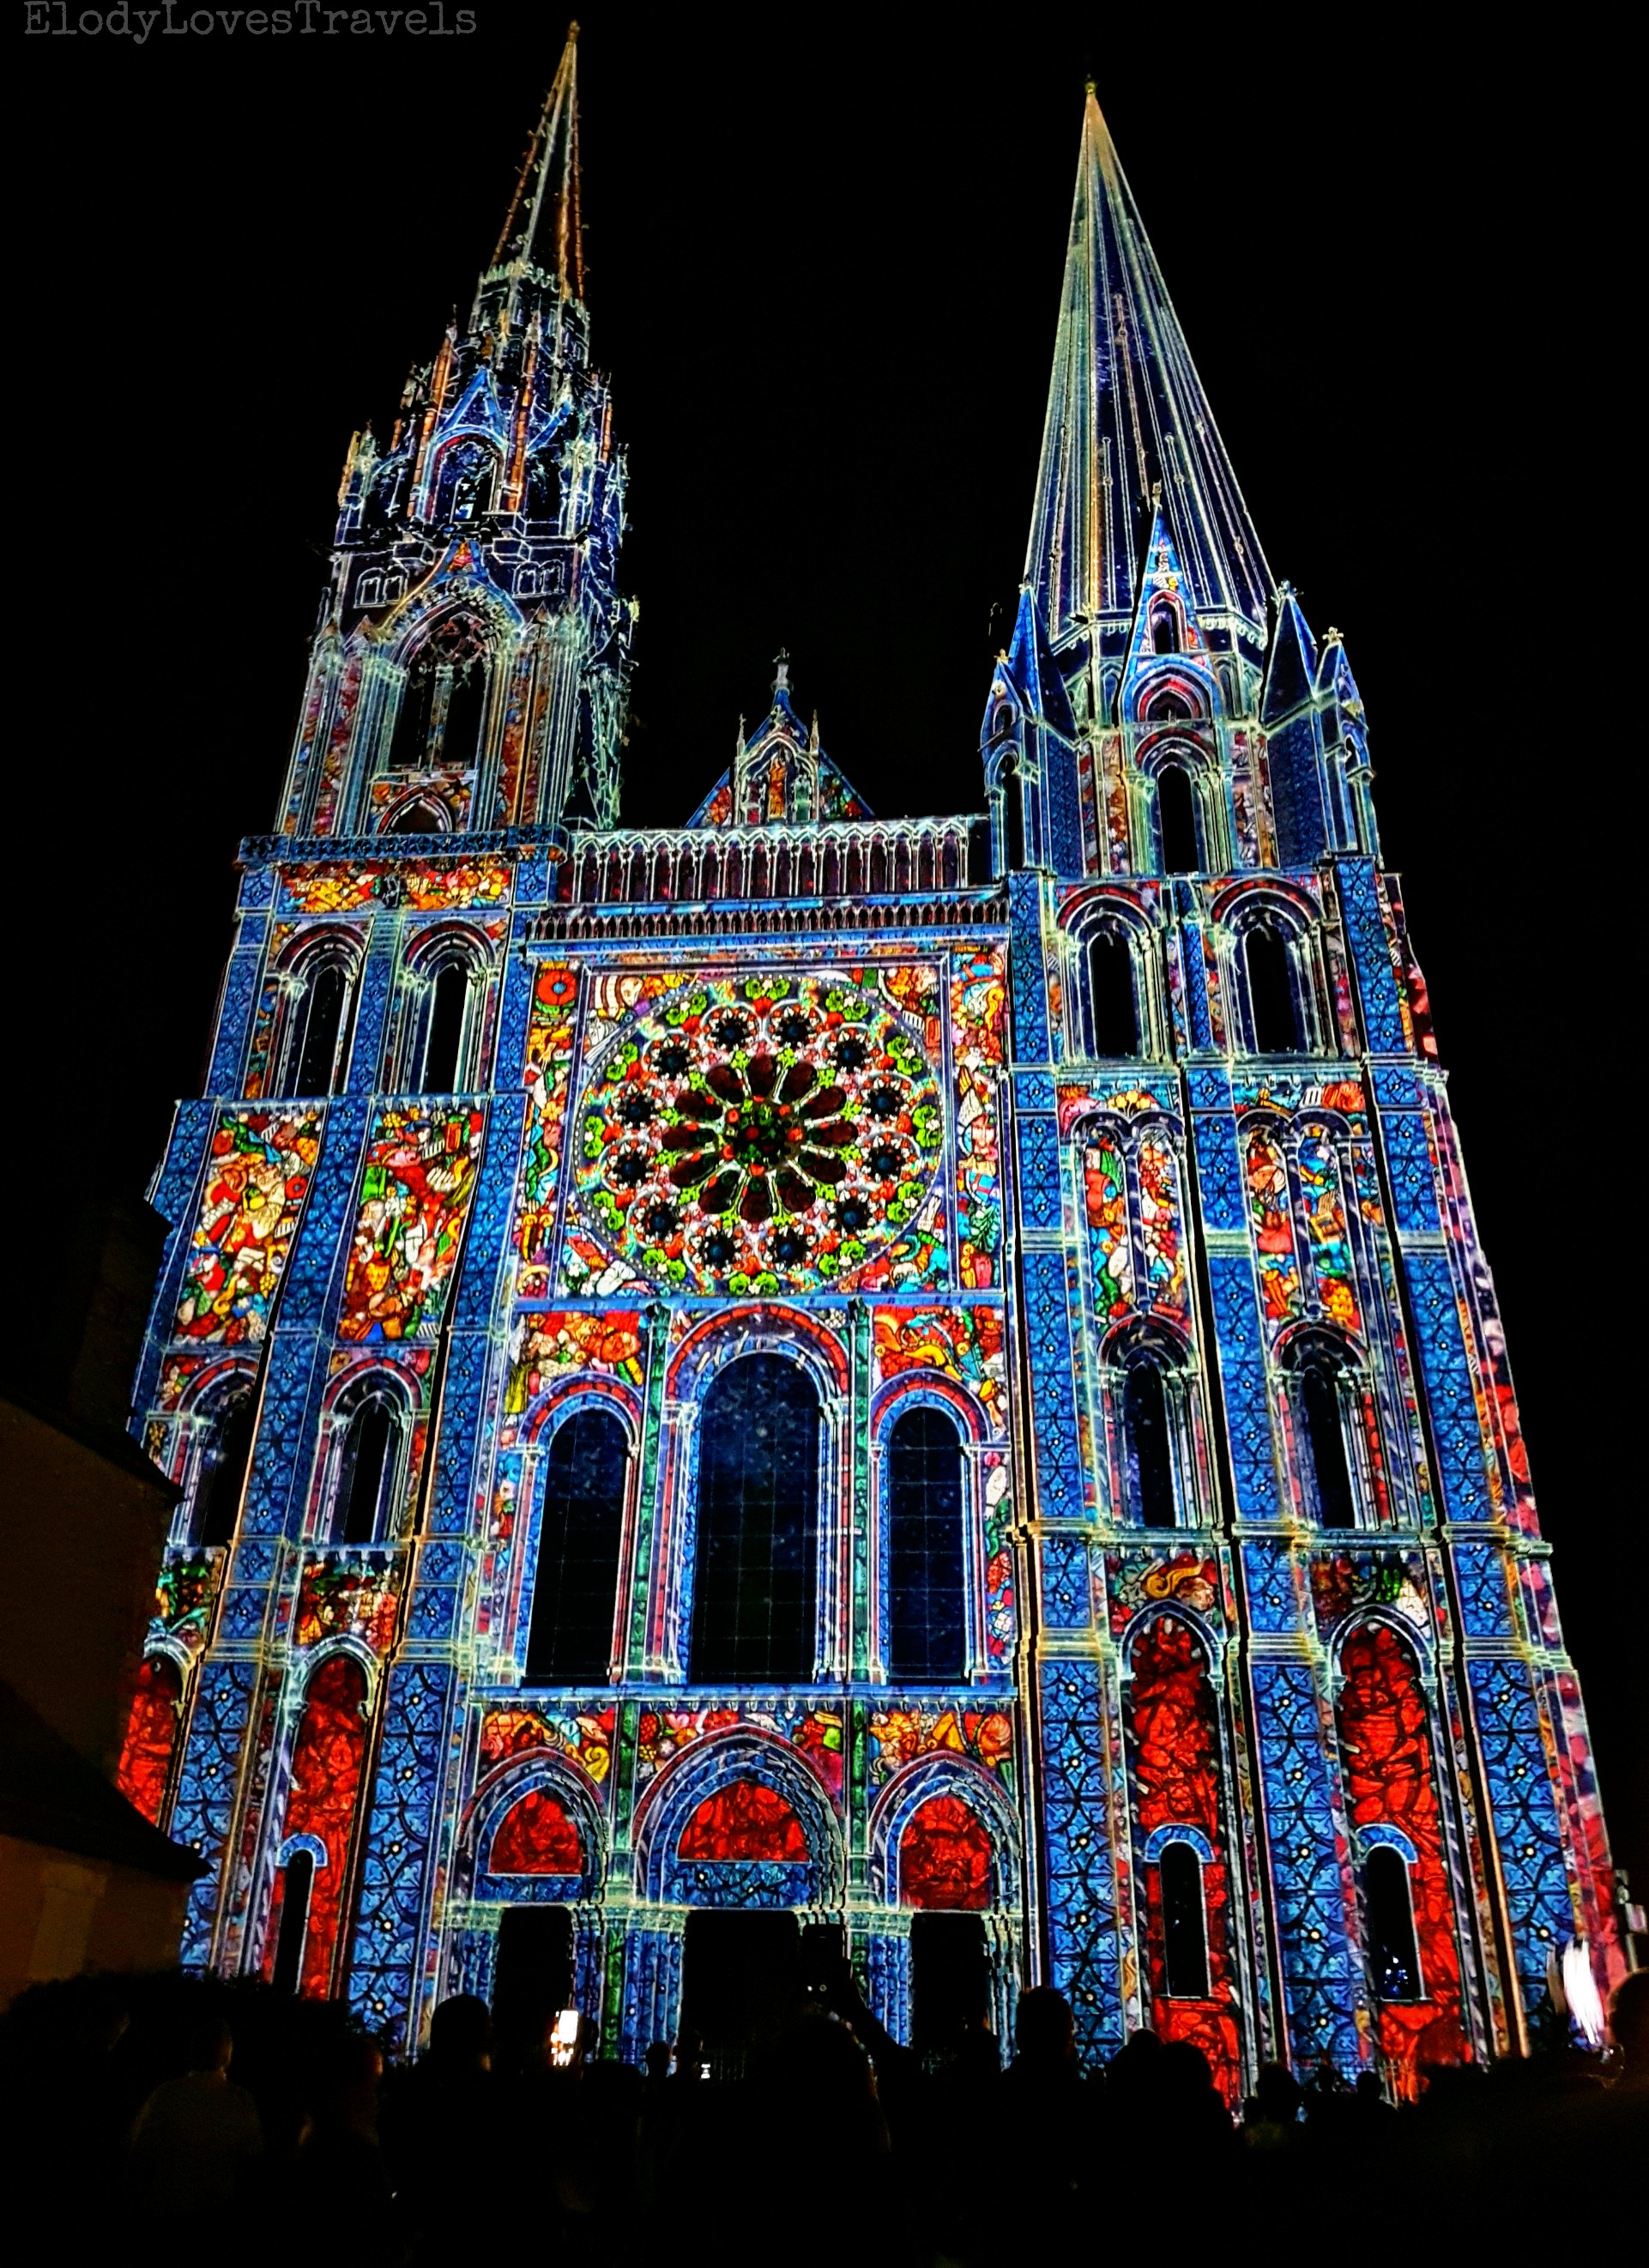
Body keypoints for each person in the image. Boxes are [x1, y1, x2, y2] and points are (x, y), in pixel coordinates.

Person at [128, 2014, 263, 2211]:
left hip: (164, 2204)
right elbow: (252, 2153)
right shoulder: (239, 2100)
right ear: (228, 2054)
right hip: (214, 2206)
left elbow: (138, 2148)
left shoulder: (166, 2093)